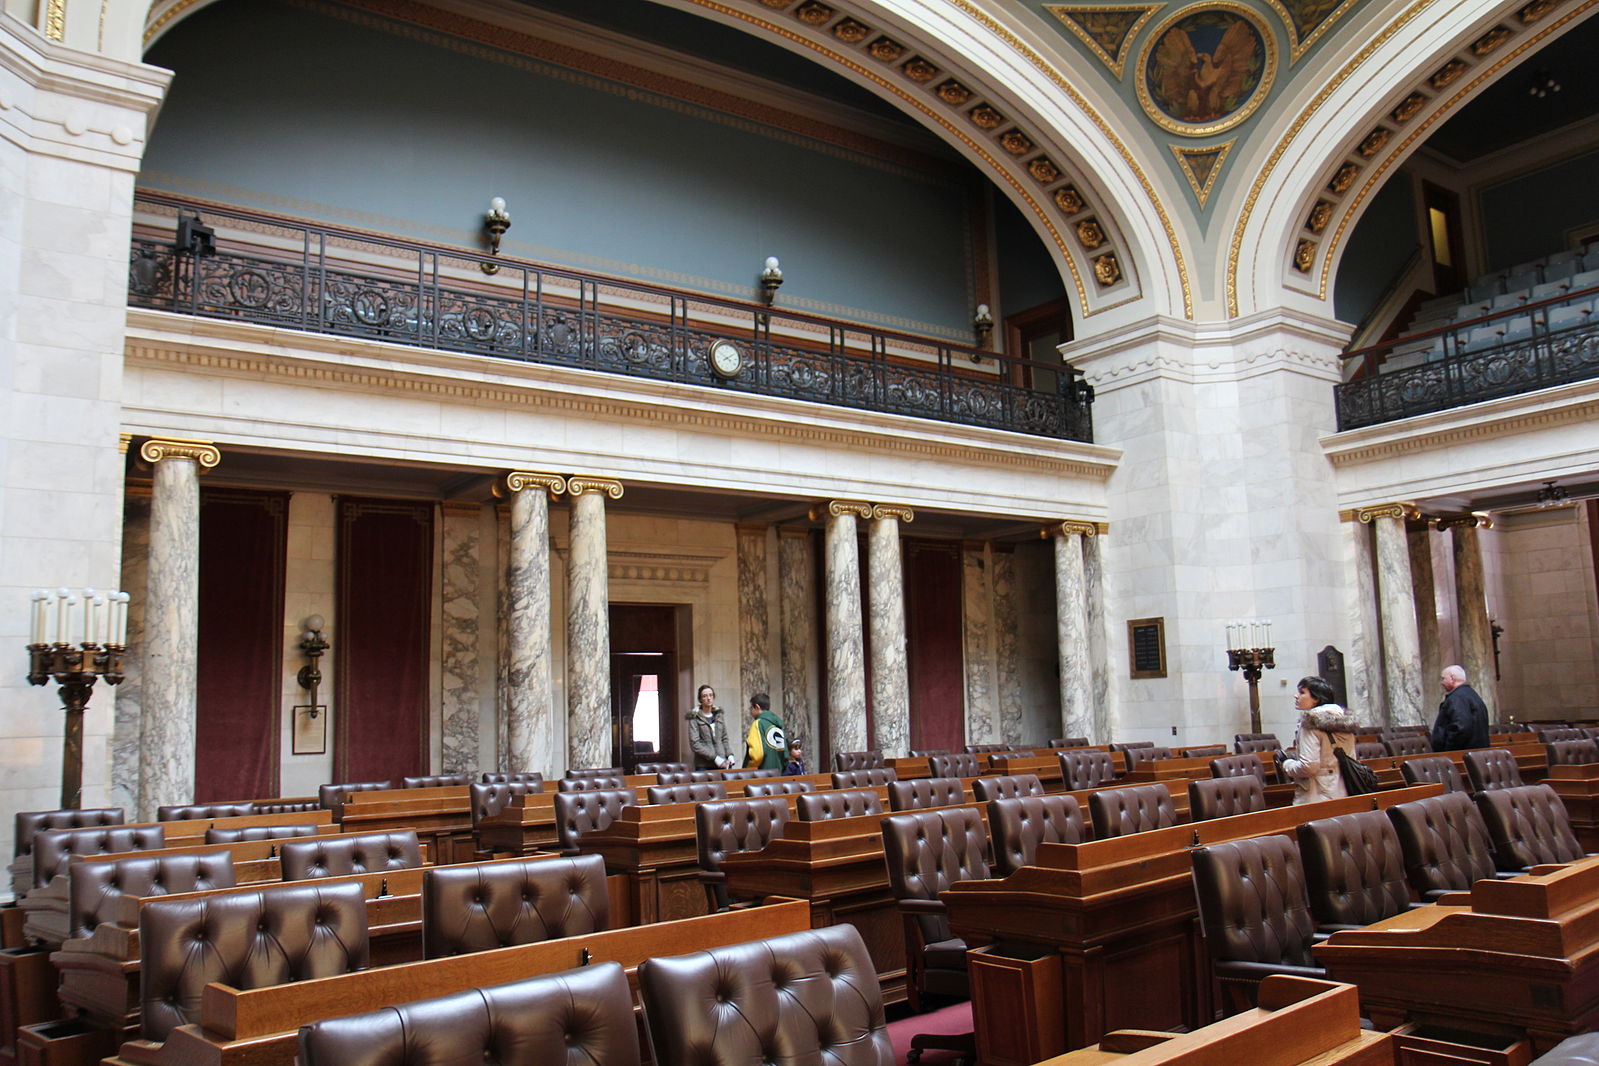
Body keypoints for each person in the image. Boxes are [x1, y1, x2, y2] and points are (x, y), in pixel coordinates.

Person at [1280, 675, 1358, 805]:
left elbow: (1309, 766)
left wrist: (1287, 764)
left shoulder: (1310, 723)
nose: (1296, 696)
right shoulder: (1344, 722)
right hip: (1344, 790)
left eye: (1302, 692)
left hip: (1317, 795)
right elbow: (1351, 758)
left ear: (1316, 698)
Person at [1431, 664, 1489, 752]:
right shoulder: (1471, 694)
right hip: (1476, 752)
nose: (1442, 683)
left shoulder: (1457, 698)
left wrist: (1448, 749)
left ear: (1452, 678)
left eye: (1443, 678)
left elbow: (1461, 727)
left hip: (1461, 754)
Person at [686, 684, 734, 770]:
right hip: (704, 765)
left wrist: (729, 754)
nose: (708, 698)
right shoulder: (695, 718)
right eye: (705, 696)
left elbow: (724, 739)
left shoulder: (719, 715)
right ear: (700, 699)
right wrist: (714, 757)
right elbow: (695, 744)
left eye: (711, 695)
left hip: (722, 762)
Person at [744, 692, 787, 770]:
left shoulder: (758, 724)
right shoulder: (778, 725)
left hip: (762, 774)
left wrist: (748, 768)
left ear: (757, 707)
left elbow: (757, 755)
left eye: (751, 708)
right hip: (779, 773)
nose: (750, 711)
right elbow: (785, 754)